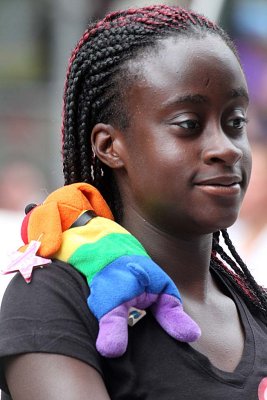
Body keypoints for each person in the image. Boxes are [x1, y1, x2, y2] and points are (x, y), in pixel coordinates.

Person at [0, 4, 267, 399]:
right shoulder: (56, 297)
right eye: (189, 125)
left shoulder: (253, 303)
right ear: (110, 146)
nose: (225, 149)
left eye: (235, 122)